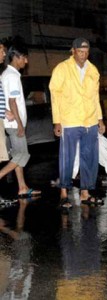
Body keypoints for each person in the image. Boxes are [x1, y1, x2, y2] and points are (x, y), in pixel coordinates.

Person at [49, 37, 105, 208]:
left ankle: (85, 193)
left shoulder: (93, 70)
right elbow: (55, 95)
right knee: (67, 158)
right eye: (80, 52)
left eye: (86, 52)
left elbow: (95, 97)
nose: (83, 55)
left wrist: (100, 120)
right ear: (73, 51)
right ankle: (64, 193)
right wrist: (57, 121)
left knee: (89, 158)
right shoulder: (62, 68)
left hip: (90, 120)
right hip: (70, 120)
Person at [0, 45, 41, 198]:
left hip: (9, 123)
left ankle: (22, 187)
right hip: (13, 124)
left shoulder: (6, 75)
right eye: (24, 57)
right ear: (16, 57)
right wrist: (19, 124)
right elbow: (12, 102)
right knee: (22, 155)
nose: (26, 60)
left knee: (17, 155)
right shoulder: (12, 76)